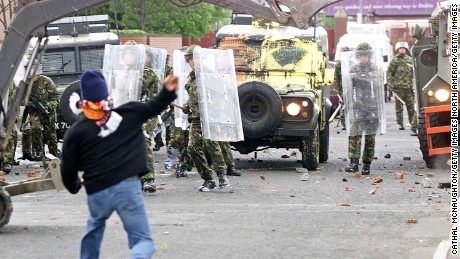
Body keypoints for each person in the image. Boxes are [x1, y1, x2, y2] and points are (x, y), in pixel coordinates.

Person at [61, 69, 178, 258]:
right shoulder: (128, 114)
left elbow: (67, 169)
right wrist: (167, 91)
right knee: (142, 240)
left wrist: (74, 186)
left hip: (97, 191)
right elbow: (154, 106)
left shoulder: (76, 132)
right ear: (106, 93)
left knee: (94, 228)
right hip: (127, 187)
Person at [182, 45, 229, 191]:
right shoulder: (190, 79)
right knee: (192, 148)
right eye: (191, 59)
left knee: (211, 146)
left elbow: (221, 95)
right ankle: (208, 178)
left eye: (196, 58)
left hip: (210, 118)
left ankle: (221, 175)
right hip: (195, 119)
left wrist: (215, 112)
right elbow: (192, 98)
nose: (194, 61)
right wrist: (186, 106)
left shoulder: (210, 76)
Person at [345, 42, 382, 175]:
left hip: (373, 108)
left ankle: (367, 164)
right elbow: (348, 87)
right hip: (358, 107)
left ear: (369, 56)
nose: (363, 58)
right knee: (355, 135)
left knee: (370, 138)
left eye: (365, 56)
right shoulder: (354, 69)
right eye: (360, 56)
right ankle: (354, 162)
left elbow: (379, 85)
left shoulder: (375, 68)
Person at [22, 63, 59, 160]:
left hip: (48, 113)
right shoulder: (26, 84)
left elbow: (56, 98)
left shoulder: (46, 81)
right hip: (34, 113)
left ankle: (53, 155)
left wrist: (48, 106)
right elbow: (21, 100)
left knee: (50, 134)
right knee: (35, 129)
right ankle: (39, 152)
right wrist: (30, 104)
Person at [386, 41, 418, 136]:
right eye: (400, 49)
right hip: (398, 88)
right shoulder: (394, 60)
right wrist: (390, 85)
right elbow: (389, 73)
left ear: (406, 50)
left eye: (404, 49)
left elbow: (414, 72)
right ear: (397, 50)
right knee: (399, 107)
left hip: (408, 87)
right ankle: (400, 123)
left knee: (411, 106)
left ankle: (413, 123)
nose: (402, 50)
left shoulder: (409, 60)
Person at [334, 46, 352, 130]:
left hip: (352, 88)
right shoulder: (339, 65)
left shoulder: (352, 63)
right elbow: (336, 77)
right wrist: (337, 89)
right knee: (343, 106)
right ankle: (344, 123)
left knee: (352, 106)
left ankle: (352, 122)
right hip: (342, 89)